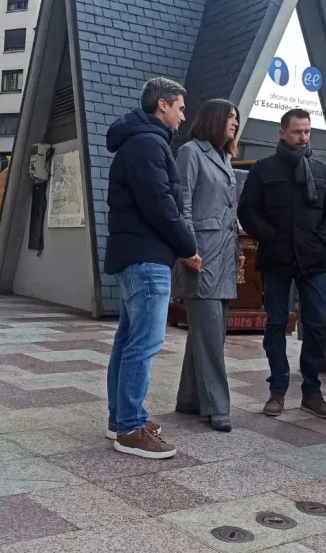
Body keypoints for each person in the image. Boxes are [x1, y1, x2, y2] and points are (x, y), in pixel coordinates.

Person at [104, 76, 196, 459]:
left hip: (137, 254)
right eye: (180, 107)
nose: (182, 115)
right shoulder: (147, 143)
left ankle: (124, 416)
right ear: (162, 105)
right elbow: (160, 202)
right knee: (143, 343)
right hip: (146, 257)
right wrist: (188, 245)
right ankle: (129, 428)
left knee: (128, 341)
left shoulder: (139, 140)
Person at [237, 108, 326, 420]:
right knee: (275, 323)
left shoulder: (322, 171)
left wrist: (320, 239)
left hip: (311, 260)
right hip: (276, 259)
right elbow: (247, 210)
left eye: (307, 131)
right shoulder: (264, 169)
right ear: (282, 133)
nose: (303, 137)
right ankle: (278, 390)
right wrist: (271, 237)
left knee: (316, 324)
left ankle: (312, 391)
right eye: (297, 131)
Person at [172, 99, 243, 433]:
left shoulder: (225, 158)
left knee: (209, 331)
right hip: (200, 256)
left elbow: (229, 210)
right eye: (230, 117)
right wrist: (188, 248)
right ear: (214, 119)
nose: (234, 123)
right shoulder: (190, 152)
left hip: (223, 256)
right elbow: (182, 204)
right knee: (211, 334)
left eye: (237, 119)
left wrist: (239, 248)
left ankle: (189, 398)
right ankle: (217, 406)